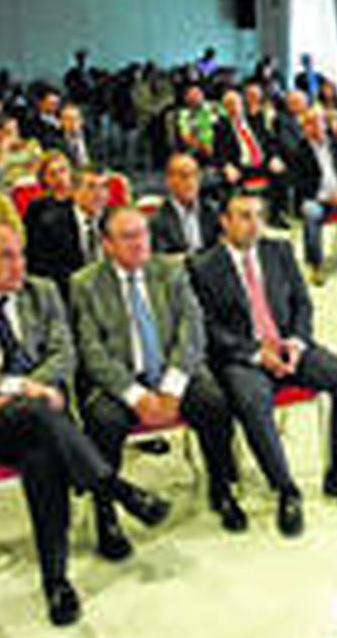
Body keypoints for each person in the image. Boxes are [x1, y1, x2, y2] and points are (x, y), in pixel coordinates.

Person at [0, 224, 170, 626]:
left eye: (21, 254)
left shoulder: (42, 292)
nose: (19, 264)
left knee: (43, 457)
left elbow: (63, 354)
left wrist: (16, 395)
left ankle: (56, 581)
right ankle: (116, 489)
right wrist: (23, 388)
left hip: (35, 418)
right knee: (42, 415)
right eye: (6, 256)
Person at [189, 192, 337, 538]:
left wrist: (297, 343)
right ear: (224, 222)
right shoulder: (204, 266)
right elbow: (209, 328)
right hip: (244, 357)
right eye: (244, 216)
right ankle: (286, 488)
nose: (254, 223)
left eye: (258, 215)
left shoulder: (279, 251)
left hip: (289, 346)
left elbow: (302, 303)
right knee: (254, 401)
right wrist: (257, 353)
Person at [70, 206, 247, 556]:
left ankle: (221, 487)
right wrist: (137, 396)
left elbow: (192, 330)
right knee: (103, 422)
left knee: (213, 402)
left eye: (143, 234)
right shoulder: (85, 284)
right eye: (128, 237)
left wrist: (171, 387)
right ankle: (107, 514)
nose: (139, 243)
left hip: (172, 372)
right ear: (106, 244)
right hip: (121, 380)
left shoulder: (170, 270)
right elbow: (92, 353)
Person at [24, 156, 107, 296]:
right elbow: (44, 274)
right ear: (74, 191)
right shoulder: (50, 227)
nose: (99, 194)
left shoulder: (115, 222)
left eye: (104, 187)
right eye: (91, 187)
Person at [289, 106, 337, 282]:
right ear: (305, 128)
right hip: (316, 198)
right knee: (311, 212)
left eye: (320, 122)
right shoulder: (299, 151)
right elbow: (299, 186)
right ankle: (315, 263)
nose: (317, 127)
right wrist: (326, 197)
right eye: (311, 124)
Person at [150, 152, 220, 256]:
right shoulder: (158, 220)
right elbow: (164, 259)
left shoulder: (213, 211)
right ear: (169, 181)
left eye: (195, 175)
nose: (191, 182)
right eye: (184, 176)